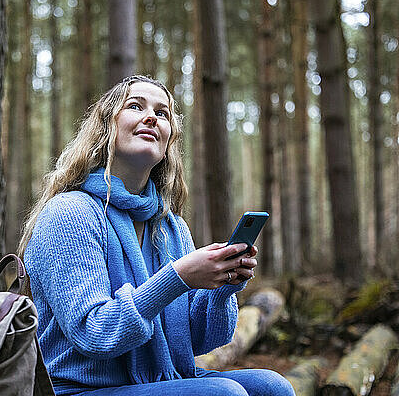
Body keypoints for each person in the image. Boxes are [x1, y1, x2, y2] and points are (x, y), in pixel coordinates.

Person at [18, 75, 295, 396]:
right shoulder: (69, 212)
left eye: (162, 113)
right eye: (135, 106)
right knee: (223, 394)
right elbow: (94, 334)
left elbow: (202, 341)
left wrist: (222, 287)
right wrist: (178, 277)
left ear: (167, 145)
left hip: (161, 380)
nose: (151, 116)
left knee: (272, 387)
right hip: (79, 388)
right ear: (105, 127)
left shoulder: (171, 227)